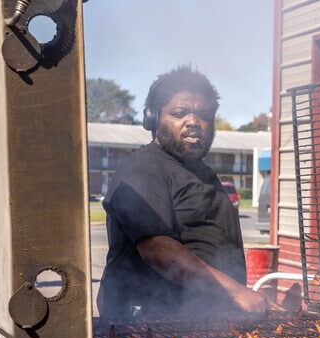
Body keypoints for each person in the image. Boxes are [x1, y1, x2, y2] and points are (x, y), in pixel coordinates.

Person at [98, 65, 266, 318]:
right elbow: (158, 250)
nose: (194, 122)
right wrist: (235, 293)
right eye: (180, 113)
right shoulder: (143, 168)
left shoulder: (204, 173)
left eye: (204, 115)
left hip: (201, 319)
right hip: (147, 322)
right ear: (152, 118)